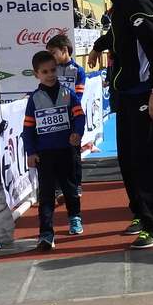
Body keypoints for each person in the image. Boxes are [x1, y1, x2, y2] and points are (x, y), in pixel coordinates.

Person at [86, 0, 153, 249]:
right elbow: (119, 37)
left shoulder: (135, 4)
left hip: (146, 93)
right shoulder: (121, 6)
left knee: (147, 160)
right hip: (127, 94)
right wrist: (98, 46)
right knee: (128, 159)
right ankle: (140, 213)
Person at [22, 51, 86, 247]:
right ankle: (46, 232)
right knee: (46, 194)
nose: (50, 74)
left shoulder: (68, 93)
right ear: (36, 74)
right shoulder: (34, 99)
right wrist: (31, 152)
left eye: (52, 70)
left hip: (67, 151)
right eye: (45, 71)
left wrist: (77, 132)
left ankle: (74, 216)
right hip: (45, 155)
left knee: (70, 188)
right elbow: (28, 128)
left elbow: (79, 116)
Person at [47, 33, 87, 198]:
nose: (51, 57)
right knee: (55, 153)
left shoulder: (78, 70)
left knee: (73, 155)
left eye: (53, 53)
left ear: (64, 50)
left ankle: (76, 185)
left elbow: (78, 96)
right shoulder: (52, 70)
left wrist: (63, 101)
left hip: (72, 118)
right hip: (54, 118)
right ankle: (58, 188)